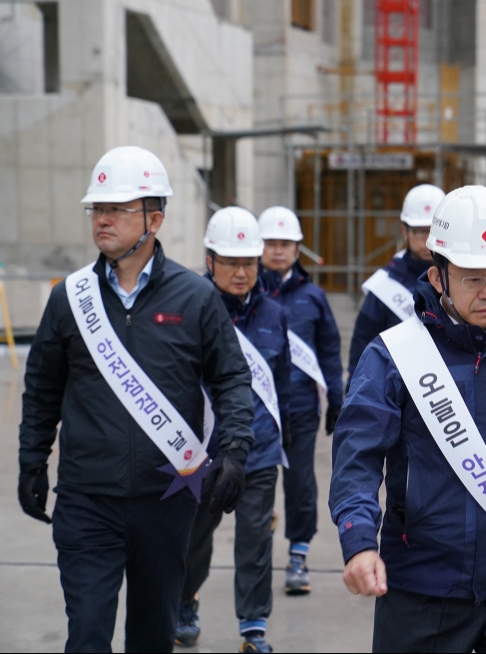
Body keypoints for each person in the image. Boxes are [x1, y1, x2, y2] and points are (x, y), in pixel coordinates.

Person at [18, 146, 254, 652]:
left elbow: (232, 379)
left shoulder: (195, 298)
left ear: (155, 218)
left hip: (166, 501)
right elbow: (41, 388)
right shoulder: (70, 298)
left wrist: (233, 451)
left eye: (116, 209)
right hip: (86, 499)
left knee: (152, 637)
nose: (101, 219)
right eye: (96, 209)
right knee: (86, 636)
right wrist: (32, 462)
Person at [330, 185, 486, 652]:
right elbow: (356, 458)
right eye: (472, 278)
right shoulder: (393, 357)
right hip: (420, 585)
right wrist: (358, 541)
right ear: (438, 277)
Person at [175, 207, 293, 654]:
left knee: (254, 541)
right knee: (194, 540)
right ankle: (186, 600)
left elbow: (278, 381)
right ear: (209, 261)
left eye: (250, 262)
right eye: (231, 262)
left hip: (258, 452)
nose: (242, 272)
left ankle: (253, 626)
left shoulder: (275, 314)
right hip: (199, 452)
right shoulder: (190, 308)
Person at [257, 206, 344, 595]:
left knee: (300, 484)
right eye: (271, 243)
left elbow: (329, 349)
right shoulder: (245, 291)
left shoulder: (314, 297)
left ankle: (298, 554)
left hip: (302, 408)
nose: (278, 251)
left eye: (285, 244)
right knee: (254, 483)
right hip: (254, 409)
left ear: (297, 250)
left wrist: (337, 397)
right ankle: (257, 551)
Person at [347, 184, 445, 382]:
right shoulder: (384, 286)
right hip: (396, 393)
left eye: (434, 230)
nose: (427, 240)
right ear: (404, 231)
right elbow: (362, 346)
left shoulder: (463, 279)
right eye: (419, 231)